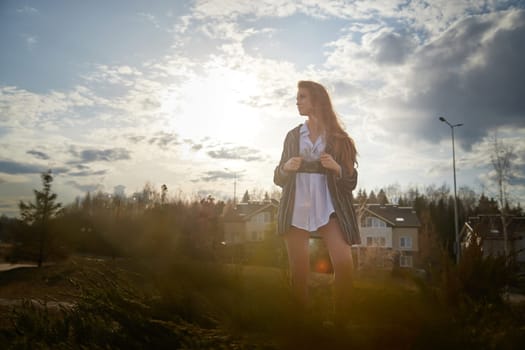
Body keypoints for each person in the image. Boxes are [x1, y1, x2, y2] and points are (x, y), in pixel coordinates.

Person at [273, 80, 360, 315]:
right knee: (298, 270)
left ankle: (341, 321)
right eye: (297, 97)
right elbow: (278, 178)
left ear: (317, 101)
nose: (297, 101)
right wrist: (286, 169)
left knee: (343, 264)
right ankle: (301, 324)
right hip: (296, 207)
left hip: (329, 208)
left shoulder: (340, 139)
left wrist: (337, 168)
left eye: (302, 97)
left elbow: (351, 182)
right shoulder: (293, 136)